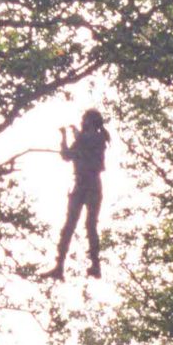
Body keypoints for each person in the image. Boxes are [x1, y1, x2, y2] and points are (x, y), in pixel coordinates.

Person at [53, 107, 108, 280]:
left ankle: (95, 265)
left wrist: (76, 134)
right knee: (69, 224)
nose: (82, 121)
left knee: (90, 224)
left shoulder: (98, 138)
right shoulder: (83, 139)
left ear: (90, 121)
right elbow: (67, 156)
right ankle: (59, 266)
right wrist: (63, 138)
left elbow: (87, 141)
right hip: (79, 184)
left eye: (84, 119)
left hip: (92, 184)